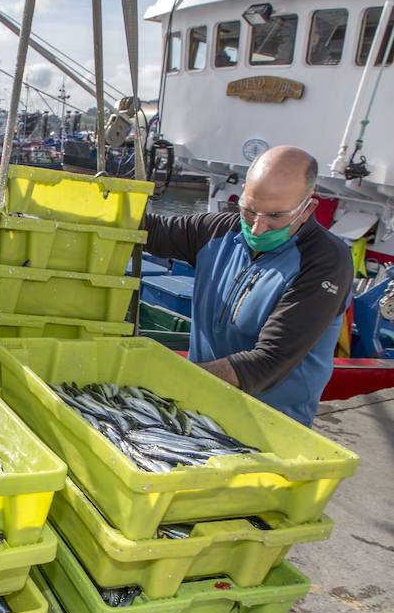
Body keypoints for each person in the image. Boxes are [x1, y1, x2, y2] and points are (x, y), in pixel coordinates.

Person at [142, 145, 353, 425]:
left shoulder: (326, 262)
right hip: (199, 408)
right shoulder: (218, 231)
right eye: (249, 211)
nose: (257, 228)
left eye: (275, 217)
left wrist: (168, 378)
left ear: (307, 208)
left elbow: (268, 361)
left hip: (269, 425)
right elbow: (151, 230)